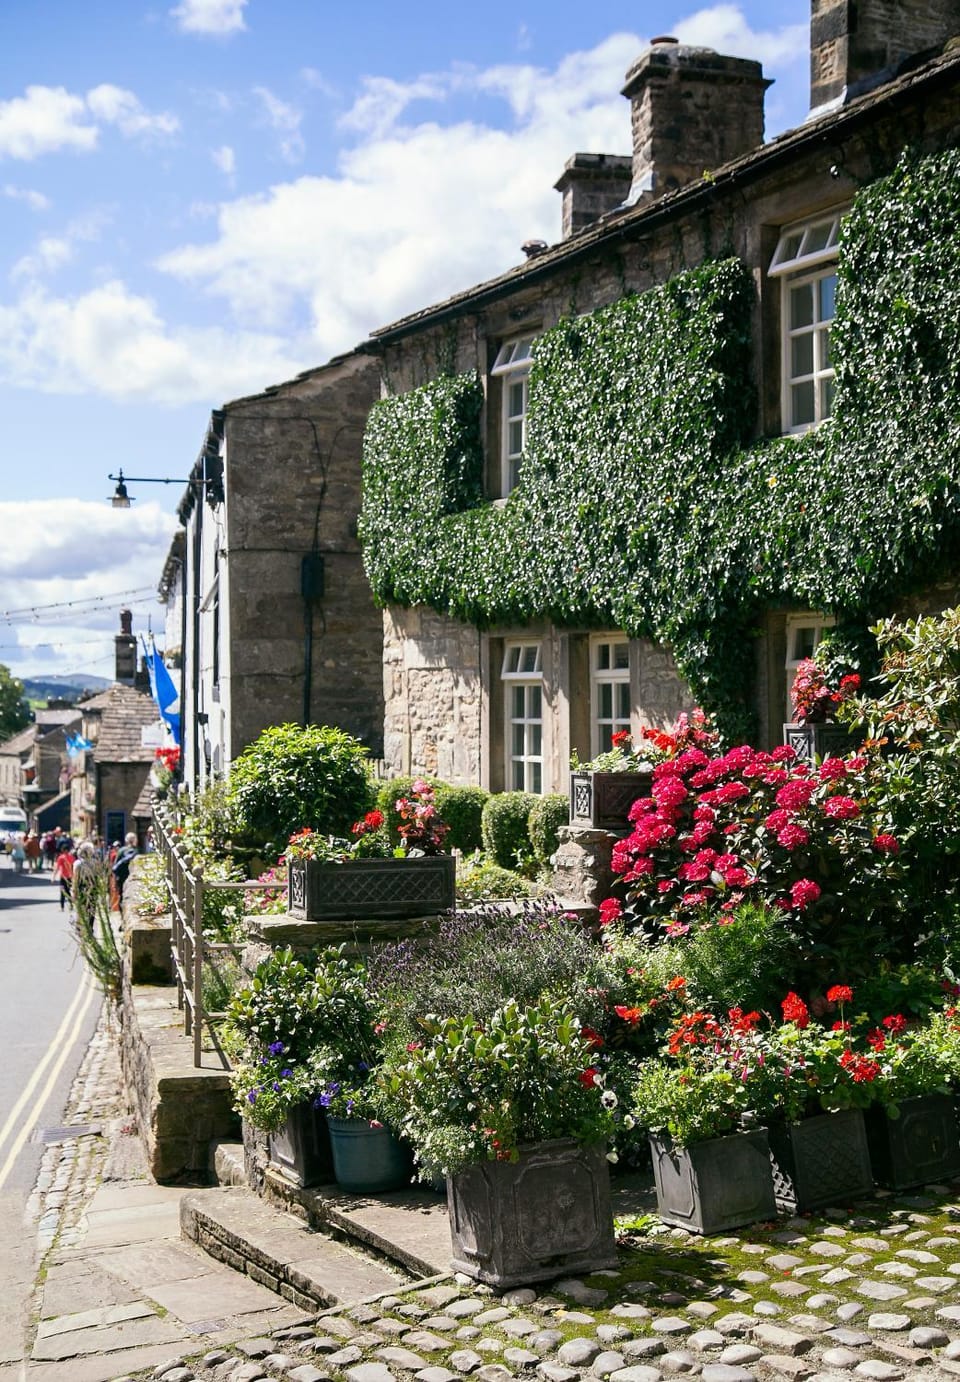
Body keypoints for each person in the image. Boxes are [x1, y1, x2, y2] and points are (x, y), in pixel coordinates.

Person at [111, 831, 139, 905]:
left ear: (126, 840)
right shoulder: (137, 851)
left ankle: (122, 913)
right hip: (132, 877)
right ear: (135, 840)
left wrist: (114, 881)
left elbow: (115, 865)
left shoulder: (121, 850)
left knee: (121, 895)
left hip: (121, 877)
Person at [52, 841, 75, 911]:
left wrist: (53, 877)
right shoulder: (71, 857)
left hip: (63, 877)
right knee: (68, 892)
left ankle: (62, 907)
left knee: (62, 892)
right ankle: (71, 905)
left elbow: (57, 868)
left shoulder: (61, 857)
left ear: (63, 850)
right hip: (70, 877)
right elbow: (73, 866)